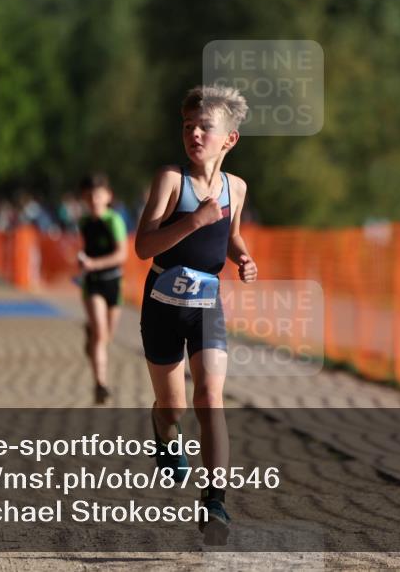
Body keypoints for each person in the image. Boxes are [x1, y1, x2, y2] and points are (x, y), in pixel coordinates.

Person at [134, 85, 257, 545]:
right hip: (162, 304)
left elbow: (231, 235)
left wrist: (243, 257)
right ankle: (162, 427)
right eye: (188, 126)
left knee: (209, 398)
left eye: (206, 127)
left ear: (230, 139)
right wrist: (192, 221)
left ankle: (215, 501)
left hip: (207, 303)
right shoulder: (171, 180)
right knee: (175, 407)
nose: (195, 134)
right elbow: (143, 246)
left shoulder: (236, 188)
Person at [77, 173, 128, 405]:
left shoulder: (114, 221)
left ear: (108, 196)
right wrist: (83, 263)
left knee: (106, 336)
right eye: (89, 196)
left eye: (98, 195)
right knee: (100, 333)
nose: (93, 201)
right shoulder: (84, 222)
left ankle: (92, 335)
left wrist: (94, 263)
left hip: (113, 283)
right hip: (92, 284)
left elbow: (121, 254)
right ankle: (101, 384)